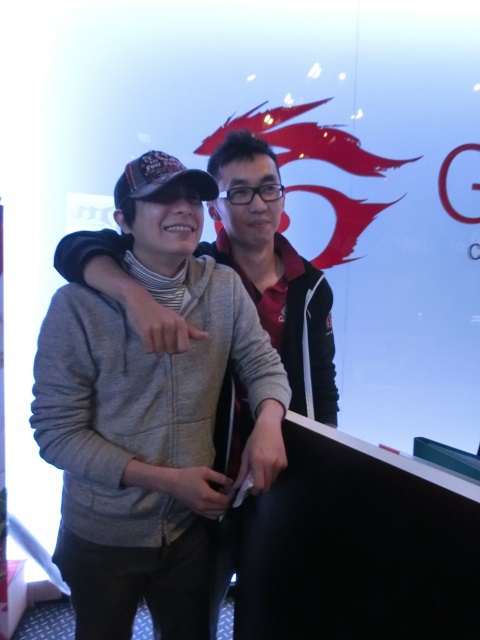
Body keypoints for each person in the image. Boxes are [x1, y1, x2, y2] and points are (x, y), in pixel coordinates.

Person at [53, 130, 339, 637]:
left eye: (190, 197)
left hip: (216, 510)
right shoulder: (80, 303)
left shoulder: (231, 286)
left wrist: (274, 421)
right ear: (124, 220)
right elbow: (57, 432)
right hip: (110, 529)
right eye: (162, 197)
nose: (182, 208)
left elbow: (279, 369)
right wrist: (131, 296)